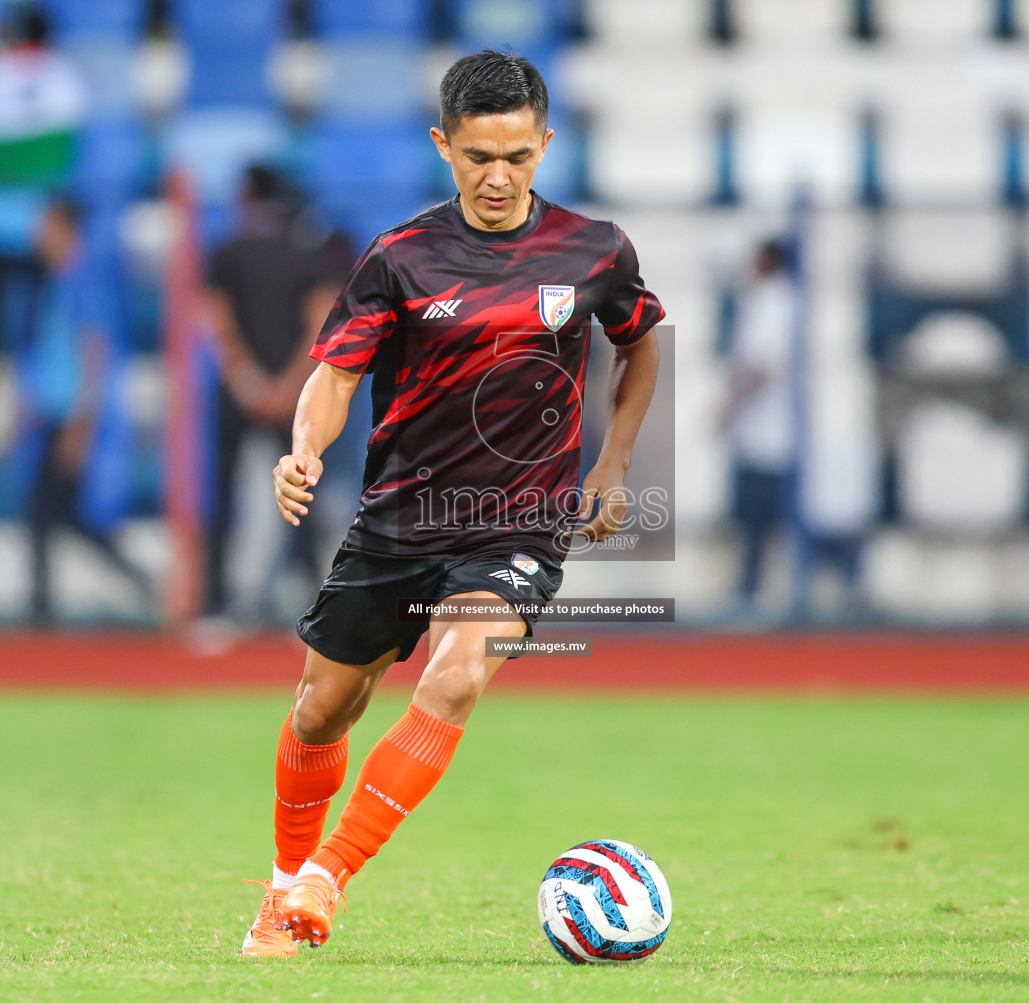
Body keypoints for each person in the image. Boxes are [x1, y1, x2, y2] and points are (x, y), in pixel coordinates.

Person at [237, 50, 665, 958]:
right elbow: (336, 372)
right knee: (322, 712)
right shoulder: (399, 256)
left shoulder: (596, 250)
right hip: (400, 517)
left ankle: (324, 881)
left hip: (519, 521)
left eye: (517, 155)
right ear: (444, 146)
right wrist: (303, 450)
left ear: (546, 144)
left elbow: (642, 341)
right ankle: (282, 881)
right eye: (478, 157)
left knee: (459, 671)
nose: (499, 177)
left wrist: (616, 464)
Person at [203, 164, 353, 622]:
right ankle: (312, 598)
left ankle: (217, 600)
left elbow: (216, 320)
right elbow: (321, 325)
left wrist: (249, 381)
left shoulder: (227, 252)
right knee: (302, 495)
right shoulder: (312, 252)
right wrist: (289, 389)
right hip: (295, 395)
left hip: (240, 393)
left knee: (224, 495)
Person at [20, 197, 151, 626]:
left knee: (47, 512)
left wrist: (81, 424)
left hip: (70, 416)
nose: (36, 236)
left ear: (64, 227)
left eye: (44, 225)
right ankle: (47, 603)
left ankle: (43, 608)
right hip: (56, 414)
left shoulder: (81, 281)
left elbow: (93, 352)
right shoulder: (57, 280)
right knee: (56, 514)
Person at [0, 5, 87, 437]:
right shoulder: (66, 79)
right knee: (37, 329)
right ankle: (30, 409)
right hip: (40, 229)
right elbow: (72, 159)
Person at [720, 240, 800, 607]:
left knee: (757, 518)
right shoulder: (793, 300)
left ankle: (751, 591)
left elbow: (758, 366)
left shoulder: (770, 301)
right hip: (779, 430)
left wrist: (729, 411)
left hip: (767, 430)